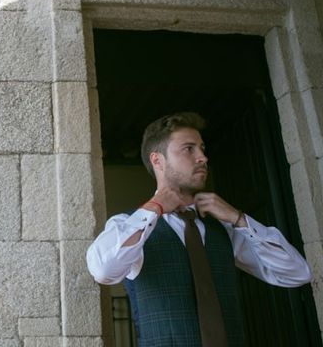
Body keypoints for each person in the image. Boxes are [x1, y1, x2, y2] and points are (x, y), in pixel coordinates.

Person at [86, 112, 312, 347]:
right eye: (189, 149)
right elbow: (103, 271)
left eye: (202, 149)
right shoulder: (128, 225)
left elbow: (296, 274)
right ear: (157, 160)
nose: (203, 157)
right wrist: (153, 208)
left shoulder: (225, 229)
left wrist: (238, 218)